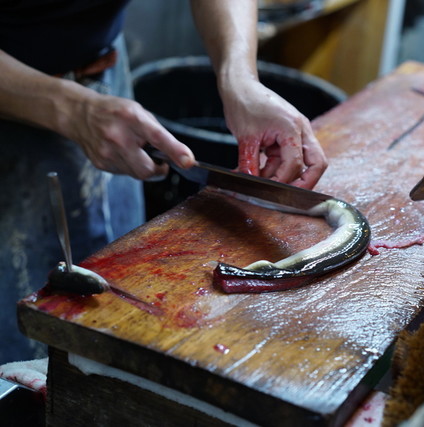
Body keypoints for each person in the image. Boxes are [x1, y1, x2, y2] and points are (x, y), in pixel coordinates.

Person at [0, 0, 328, 364]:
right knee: (21, 343)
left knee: (120, 307)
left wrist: (240, 79)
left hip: (104, 82)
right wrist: (70, 108)